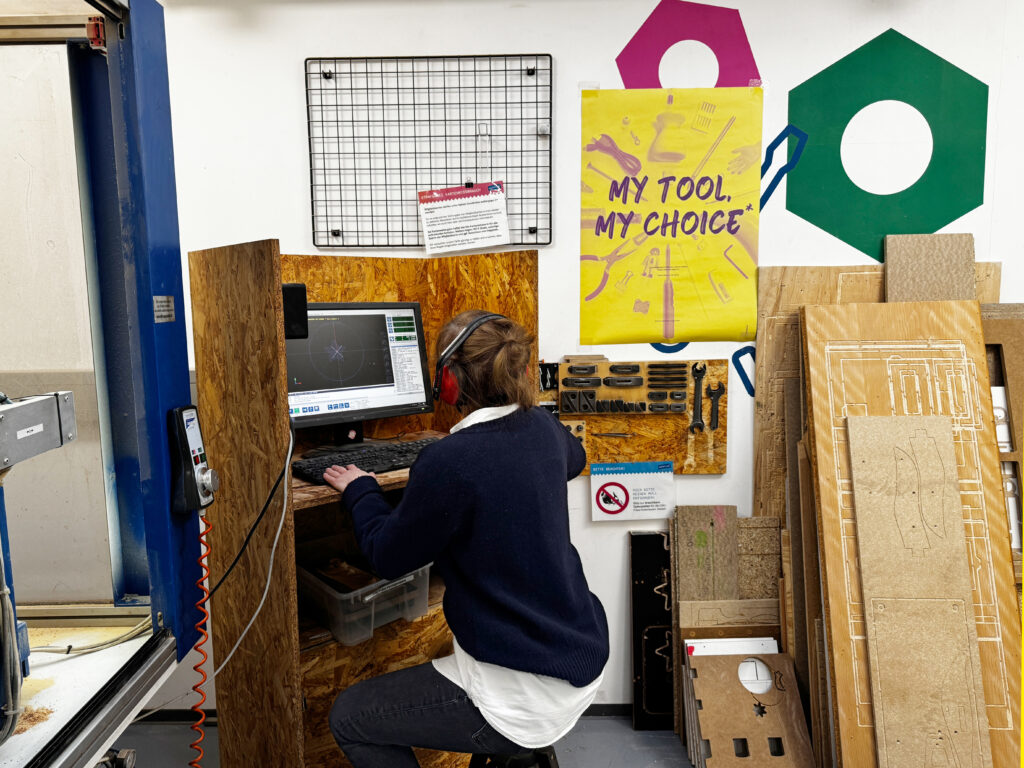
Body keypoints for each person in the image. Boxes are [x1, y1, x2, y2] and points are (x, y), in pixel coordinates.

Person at [322, 309, 609, 768]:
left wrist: (361, 490)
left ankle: (509, 748)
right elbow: (574, 458)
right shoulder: (543, 429)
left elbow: (386, 555)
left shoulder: (450, 461)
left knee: (351, 717)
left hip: (519, 697)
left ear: (449, 382)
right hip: (577, 657)